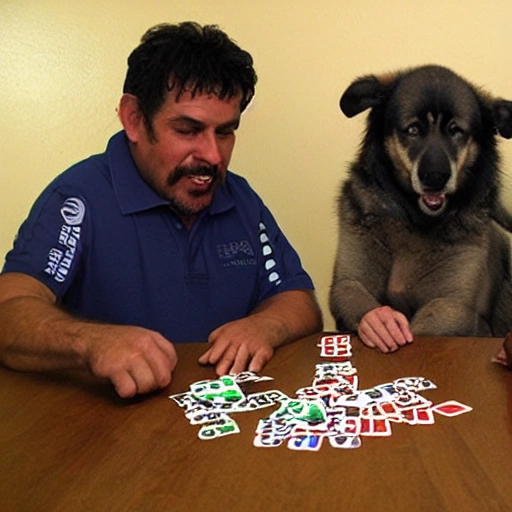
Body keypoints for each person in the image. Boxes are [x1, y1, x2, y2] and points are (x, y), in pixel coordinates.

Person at [0, 21, 322, 398]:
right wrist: (91, 343)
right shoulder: (78, 198)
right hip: (110, 439)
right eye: (188, 130)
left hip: (222, 430)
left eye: (225, 131)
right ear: (134, 119)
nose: (213, 156)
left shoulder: (240, 197)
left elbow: (298, 300)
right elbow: (9, 308)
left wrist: (266, 326)